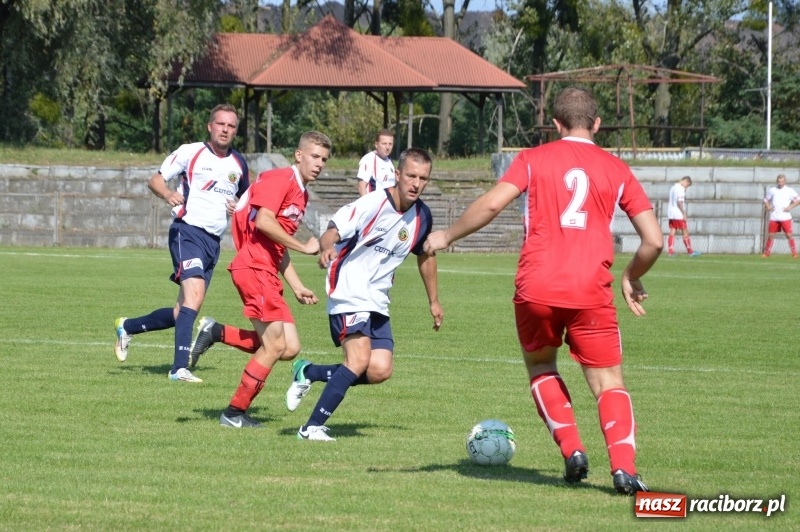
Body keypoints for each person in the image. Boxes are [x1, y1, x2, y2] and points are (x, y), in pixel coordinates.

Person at [423, 87, 663, 496]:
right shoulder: (617, 168)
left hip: (536, 287)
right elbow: (653, 241)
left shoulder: (533, 159)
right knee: (608, 382)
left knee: (541, 368)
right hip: (591, 290)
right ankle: (623, 469)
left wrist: (446, 234)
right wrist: (630, 275)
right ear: (597, 124)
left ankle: (572, 450)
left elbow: (493, 204)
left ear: (555, 124)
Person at [286, 147, 443, 441]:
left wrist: (433, 300)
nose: (416, 183)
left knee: (381, 369)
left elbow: (426, 255)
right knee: (357, 360)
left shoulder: (423, 216)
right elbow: (333, 229)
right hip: (348, 287)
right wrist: (327, 246)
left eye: (423, 178)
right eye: (410, 175)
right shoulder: (372, 204)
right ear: (397, 174)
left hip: (377, 298)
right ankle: (311, 428)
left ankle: (309, 373)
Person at [114, 103, 249, 383]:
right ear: (209, 126)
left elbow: (247, 200)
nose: (225, 129)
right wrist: (166, 194)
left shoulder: (239, 164)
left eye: (231, 126)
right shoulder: (191, 152)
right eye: (221, 124)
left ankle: (127, 327)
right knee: (194, 297)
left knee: (182, 312)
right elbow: (155, 180)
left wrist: (239, 207)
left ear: (236, 131)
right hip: (186, 232)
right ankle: (178, 369)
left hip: (213, 242)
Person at [217, 131, 331, 428]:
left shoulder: (301, 192)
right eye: (315, 156)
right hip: (254, 268)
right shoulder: (281, 178)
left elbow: (277, 247)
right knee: (275, 346)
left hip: (266, 270)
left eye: (324, 159)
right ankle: (234, 413)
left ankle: (216, 332)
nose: (319, 164)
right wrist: (305, 245)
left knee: (289, 346)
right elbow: (262, 221)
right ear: (299, 155)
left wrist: (297, 286)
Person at [762, 174, 800, 258]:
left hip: (785, 217)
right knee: (771, 235)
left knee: (789, 235)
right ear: (777, 182)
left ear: (785, 181)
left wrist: (790, 207)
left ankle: (794, 253)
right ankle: (767, 253)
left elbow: (798, 200)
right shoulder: (773, 190)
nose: (780, 183)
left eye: (782, 181)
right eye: (779, 181)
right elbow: (765, 199)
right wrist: (768, 206)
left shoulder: (789, 191)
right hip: (774, 216)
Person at [667, 176, 701, 257]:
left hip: (671, 213)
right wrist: (684, 213)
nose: (686, 188)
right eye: (687, 186)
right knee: (685, 231)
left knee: (673, 231)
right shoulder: (681, 189)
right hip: (678, 214)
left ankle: (670, 252)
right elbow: (679, 202)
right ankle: (690, 251)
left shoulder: (673, 187)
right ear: (686, 182)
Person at [357, 129, 395, 196]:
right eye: (384, 144)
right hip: (375, 204)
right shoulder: (368, 159)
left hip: (389, 205)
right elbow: (361, 188)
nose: (387, 147)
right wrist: (368, 206)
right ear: (376, 144)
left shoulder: (390, 161)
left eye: (390, 144)